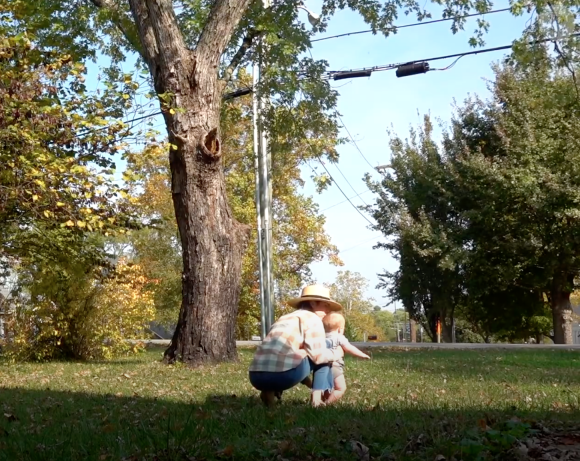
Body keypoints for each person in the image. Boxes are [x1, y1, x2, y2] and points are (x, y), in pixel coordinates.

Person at [248, 285, 344, 407]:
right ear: (313, 303)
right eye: (325, 305)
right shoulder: (313, 319)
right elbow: (318, 357)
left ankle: (269, 392)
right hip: (282, 376)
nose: (328, 311)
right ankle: (316, 400)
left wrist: (308, 382)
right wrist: (338, 353)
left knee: (292, 354)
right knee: (324, 355)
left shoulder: (285, 317)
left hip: (256, 376)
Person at [322, 311, 370, 404]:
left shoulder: (321, 337)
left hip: (320, 366)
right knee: (340, 388)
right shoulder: (339, 337)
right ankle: (327, 404)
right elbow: (349, 348)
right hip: (334, 366)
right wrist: (362, 355)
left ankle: (319, 401)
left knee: (324, 387)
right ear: (340, 329)